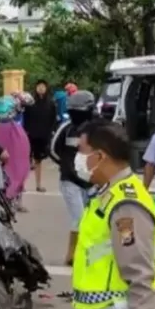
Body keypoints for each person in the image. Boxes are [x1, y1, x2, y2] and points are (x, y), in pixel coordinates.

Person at [73, 120, 155, 309]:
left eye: (82, 152)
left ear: (100, 156)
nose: (78, 160)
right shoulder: (110, 193)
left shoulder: (126, 207)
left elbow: (140, 278)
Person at [49, 90, 95, 265]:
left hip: (91, 182)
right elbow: (52, 149)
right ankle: (73, 255)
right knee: (79, 218)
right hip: (70, 182)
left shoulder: (97, 129)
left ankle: (83, 253)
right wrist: (68, 167)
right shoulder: (66, 128)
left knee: (90, 218)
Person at [0, 96, 31, 212]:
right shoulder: (16, 129)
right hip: (9, 162)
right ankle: (14, 202)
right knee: (16, 175)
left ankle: (12, 202)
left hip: (3, 162)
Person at [23, 79, 57, 192]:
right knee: (26, 161)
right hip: (30, 135)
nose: (41, 88)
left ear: (46, 88)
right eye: (39, 86)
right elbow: (25, 117)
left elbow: (53, 120)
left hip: (43, 136)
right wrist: (25, 131)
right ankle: (21, 185)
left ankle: (38, 185)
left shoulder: (51, 103)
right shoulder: (30, 102)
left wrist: (50, 132)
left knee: (38, 160)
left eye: (43, 86)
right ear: (36, 88)